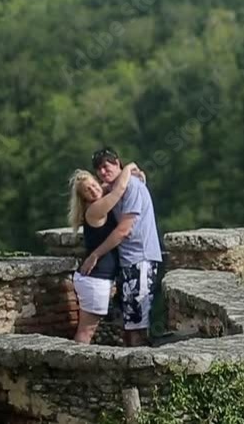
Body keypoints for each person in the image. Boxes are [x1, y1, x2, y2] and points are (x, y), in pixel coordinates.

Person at [80, 147, 163, 347]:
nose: (102, 172)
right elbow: (107, 190)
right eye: (98, 169)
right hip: (128, 262)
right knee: (129, 325)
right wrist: (129, 169)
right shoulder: (115, 188)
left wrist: (95, 255)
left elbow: (123, 230)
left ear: (117, 163)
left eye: (106, 166)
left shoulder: (132, 187)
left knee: (137, 325)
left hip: (140, 260)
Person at [67, 162, 139, 344]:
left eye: (93, 184)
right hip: (95, 279)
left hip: (98, 278)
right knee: (86, 330)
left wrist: (105, 185)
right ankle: (76, 366)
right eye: (87, 190)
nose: (92, 190)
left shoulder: (98, 201)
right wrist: (128, 168)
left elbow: (107, 187)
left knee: (88, 329)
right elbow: (119, 190)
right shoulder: (95, 209)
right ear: (84, 198)